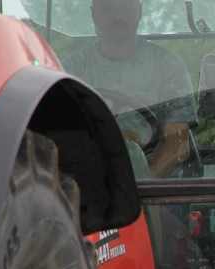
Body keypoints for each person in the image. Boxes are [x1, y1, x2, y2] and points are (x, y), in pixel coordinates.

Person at [62, 0, 197, 178]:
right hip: (92, 183)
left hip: (157, 190)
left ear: (139, 11)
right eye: (107, 8)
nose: (117, 16)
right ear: (94, 14)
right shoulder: (72, 69)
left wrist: (137, 187)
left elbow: (178, 146)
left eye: (125, 6)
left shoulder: (168, 66)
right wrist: (110, 140)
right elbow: (62, 138)